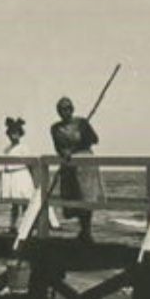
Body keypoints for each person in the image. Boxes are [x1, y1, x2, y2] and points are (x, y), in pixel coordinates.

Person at [50, 96, 102, 242]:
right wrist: (64, 152)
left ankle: (87, 231)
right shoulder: (55, 128)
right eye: (61, 109)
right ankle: (83, 230)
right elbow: (58, 147)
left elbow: (95, 140)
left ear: (72, 109)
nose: (64, 112)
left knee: (86, 197)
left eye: (67, 108)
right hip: (69, 165)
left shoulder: (81, 123)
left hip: (85, 164)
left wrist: (81, 139)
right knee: (72, 197)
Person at [0, 116, 37, 229]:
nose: (13, 136)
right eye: (11, 134)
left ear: (20, 134)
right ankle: (12, 225)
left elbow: (30, 164)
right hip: (11, 176)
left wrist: (33, 179)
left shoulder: (24, 147)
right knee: (14, 204)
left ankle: (26, 225)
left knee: (25, 202)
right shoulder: (7, 148)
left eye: (16, 133)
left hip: (21, 175)